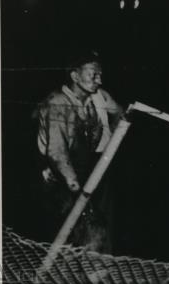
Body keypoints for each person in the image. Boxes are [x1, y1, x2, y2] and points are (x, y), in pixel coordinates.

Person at [34, 50, 123, 251]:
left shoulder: (98, 98)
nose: (99, 80)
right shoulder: (57, 103)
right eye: (93, 74)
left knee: (100, 230)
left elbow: (121, 114)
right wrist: (78, 192)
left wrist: (109, 148)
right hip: (61, 177)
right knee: (73, 234)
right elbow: (58, 153)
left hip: (89, 169)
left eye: (101, 74)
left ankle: (98, 277)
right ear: (75, 76)